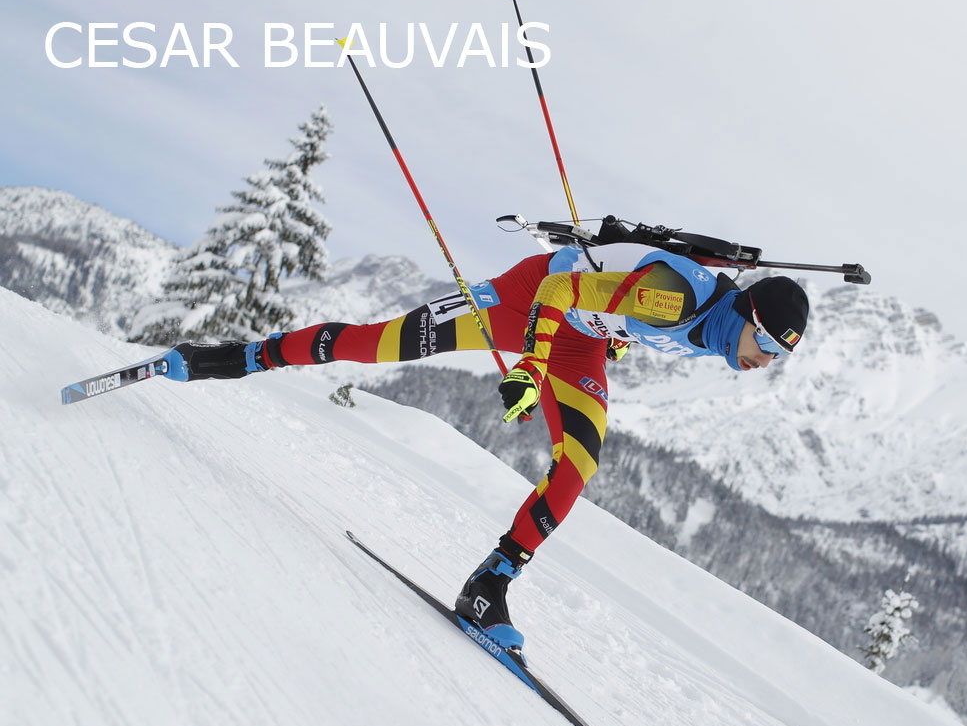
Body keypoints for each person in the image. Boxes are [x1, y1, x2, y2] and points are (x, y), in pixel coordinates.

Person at [162, 242, 810, 651]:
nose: (765, 362)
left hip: (578, 339)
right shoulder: (672, 297)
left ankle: (487, 586)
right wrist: (530, 364)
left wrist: (611, 334)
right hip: (525, 301)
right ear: (748, 317)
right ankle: (235, 356)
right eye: (770, 346)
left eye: (780, 358)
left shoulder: (715, 320)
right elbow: (563, 291)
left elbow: (621, 301)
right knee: (371, 342)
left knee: (577, 466)